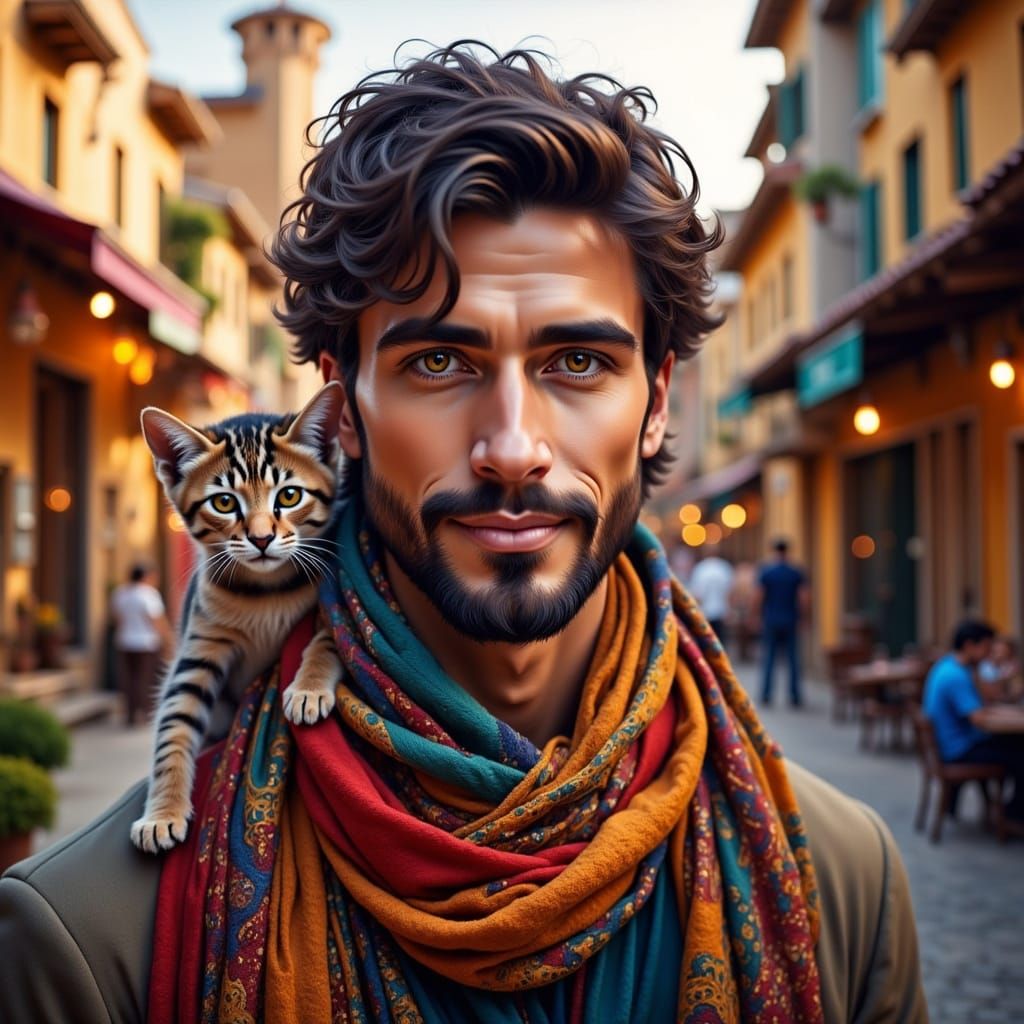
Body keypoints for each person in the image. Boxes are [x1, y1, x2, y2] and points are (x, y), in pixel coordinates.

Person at [0, 44, 925, 1023]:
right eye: (440, 360)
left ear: (656, 405)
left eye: (577, 360)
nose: (513, 448)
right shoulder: (93, 942)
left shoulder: (846, 887)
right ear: (343, 412)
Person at [923, 620, 1024, 830]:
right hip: (958, 750)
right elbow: (978, 719)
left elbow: (983, 702)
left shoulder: (949, 666)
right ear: (970, 645)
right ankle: (1014, 815)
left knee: (1014, 744)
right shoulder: (956, 676)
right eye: (987, 647)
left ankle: (1009, 811)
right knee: (1019, 752)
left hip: (949, 744)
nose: (990, 654)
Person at [109, 564, 172, 726]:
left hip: (125, 641)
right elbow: (155, 619)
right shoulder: (148, 594)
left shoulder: (120, 593)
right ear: (145, 576)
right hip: (146, 642)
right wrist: (167, 639)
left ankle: (130, 714)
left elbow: (116, 617)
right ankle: (145, 712)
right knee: (146, 679)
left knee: (129, 679)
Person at [757, 538, 809, 707]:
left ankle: (766, 694)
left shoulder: (767, 571)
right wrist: (805, 618)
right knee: (793, 659)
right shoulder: (795, 572)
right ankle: (794, 696)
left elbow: (759, 596)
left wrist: (756, 616)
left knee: (769, 658)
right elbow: (803, 598)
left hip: (771, 619)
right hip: (790, 619)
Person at [686, 548, 734, 644]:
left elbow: (697, 593)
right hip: (721, 610)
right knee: (720, 641)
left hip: (705, 611)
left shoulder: (700, 568)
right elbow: (730, 591)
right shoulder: (724, 567)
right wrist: (729, 609)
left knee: (706, 642)